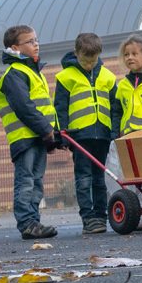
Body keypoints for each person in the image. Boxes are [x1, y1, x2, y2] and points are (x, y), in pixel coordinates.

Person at [0, 25, 60, 240]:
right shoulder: (14, 74)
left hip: (38, 136)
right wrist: (46, 131)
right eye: (30, 41)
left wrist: (53, 133)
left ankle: (34, 221)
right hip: (24, 138)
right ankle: (26, 222)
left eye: (36, 40)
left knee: (36, 181)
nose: (36, 44)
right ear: (15, 47)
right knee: (26, 181)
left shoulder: (33, 72)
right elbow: (24, 107)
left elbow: (44, 107)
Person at [54, 32, 116, 234]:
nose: (89, 64)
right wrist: (62, 132)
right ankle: (88, 217)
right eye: (84, 60)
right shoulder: (65, 77)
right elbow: (60, 108)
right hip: (80, 136)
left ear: (99, 55)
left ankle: (100, 216)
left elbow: (115, 107)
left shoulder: (108, 76)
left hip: (103, 134)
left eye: (93, 60)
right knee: (83, 178)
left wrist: (114, 130)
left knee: (99, 178)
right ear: (76, 53)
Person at [112, 36, 142, 135]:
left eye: (134, 54)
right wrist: (114, 136)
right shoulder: (122, 85)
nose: (130, 57)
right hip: (126, 135)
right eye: (126, 55)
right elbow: (117, 113)